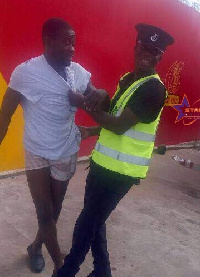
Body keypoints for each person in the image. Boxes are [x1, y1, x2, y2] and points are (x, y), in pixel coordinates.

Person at [56, 23, 174, 277]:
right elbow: (116, 116)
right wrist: (94, 126)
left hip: (121, 172)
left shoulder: (154, 89)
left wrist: (84, 103)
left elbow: (120, 126)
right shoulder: (128, 80)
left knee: (87, 223)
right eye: (144, 47)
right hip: (102, 164)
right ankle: (103, 271)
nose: (147, 54)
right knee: (95, 221)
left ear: (160, 57)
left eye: (154, 51)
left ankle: (66, 272)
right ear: (136, 47)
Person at [0, 18, 108, 275]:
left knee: (55, 209)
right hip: (37, 149)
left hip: (66, 150)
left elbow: (99, 102)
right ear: (48, 42)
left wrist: (101, 93)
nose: (72, 47)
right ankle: (61, 265)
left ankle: (36, 247)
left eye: (74, 42)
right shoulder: (25, 72)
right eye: (66, 41)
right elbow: (5, 115)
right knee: (44, 212)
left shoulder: (78, 73)